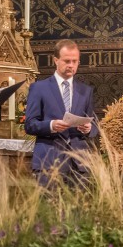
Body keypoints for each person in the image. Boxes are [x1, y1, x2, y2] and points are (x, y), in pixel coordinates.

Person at [24, 40, 98, 185]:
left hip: (79, 164)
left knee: (78, 208)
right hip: (49, 161)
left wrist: (89, 128)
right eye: (67, 61)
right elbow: (30, 125)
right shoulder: (39, 88)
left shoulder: (85, 91)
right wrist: (51, 125)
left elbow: (93, 124)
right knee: (50, 207)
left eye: (75, 61)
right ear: (56, 60)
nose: (71, 65)